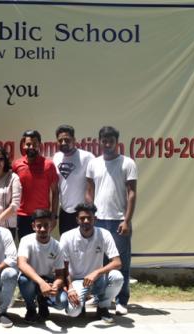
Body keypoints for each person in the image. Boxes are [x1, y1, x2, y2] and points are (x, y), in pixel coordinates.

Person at [85, 126, 137, 315]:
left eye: (111, 141)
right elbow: (89, 191)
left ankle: (122, 300)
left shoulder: (127, 163)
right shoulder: (93, 164)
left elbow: (132, 193)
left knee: (121, 262)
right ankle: (100, 297)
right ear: (99, 141)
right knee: (100, 262)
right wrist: (90, 215)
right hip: (97, 221)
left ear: (117, 142)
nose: (107, 144)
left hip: (118, 221)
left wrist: (127, 220)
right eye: (104, 140)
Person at [60, 203, 123, 323]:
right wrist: (70, 288)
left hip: (98, 278)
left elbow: (117, 262)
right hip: (77, 280)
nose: (86, 221)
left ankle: (102, 307)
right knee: (73, 312)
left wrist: (96, 272)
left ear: (95, 219)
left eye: (89, 218)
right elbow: (63, 267)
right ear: (77, 220)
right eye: (82, 218)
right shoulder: (67, 237)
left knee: (117, 277)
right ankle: (81, 304)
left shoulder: (104, 234)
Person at [17, 209, 68, 323]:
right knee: (24, 281)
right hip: (31, 280)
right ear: (33, 226)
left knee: (62, 302)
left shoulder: (57, 246)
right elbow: (21, 264)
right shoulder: (26, 240)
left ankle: (43, 302)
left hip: (49, 280)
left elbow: (60, 274)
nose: (43, 229)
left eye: (46, 225)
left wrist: (55, 286)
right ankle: (31, 308)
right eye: (39, 226)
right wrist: (41, 283)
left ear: (51, 226)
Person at [12, 130, 59, 240]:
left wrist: (54, 216)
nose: (31, 147)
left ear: (39, 145)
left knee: (42, 249)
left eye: (34, 144)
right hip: (22, 216)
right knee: (25, 248)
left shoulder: (48, 165)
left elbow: (55, 192)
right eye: (28, 144)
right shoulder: (16, 165)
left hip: (42, 216)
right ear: (23, 145)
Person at [52, 125, 95, 236]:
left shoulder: (87, 157)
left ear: (74, 140)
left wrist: (92, 211)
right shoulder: (56, 157)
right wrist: (54, 214)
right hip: (64, 212)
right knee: (66, 247)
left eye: (67, 139)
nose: (63, 143)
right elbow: (56, 189)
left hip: (82, 212)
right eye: (60, 140)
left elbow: (94, 186)